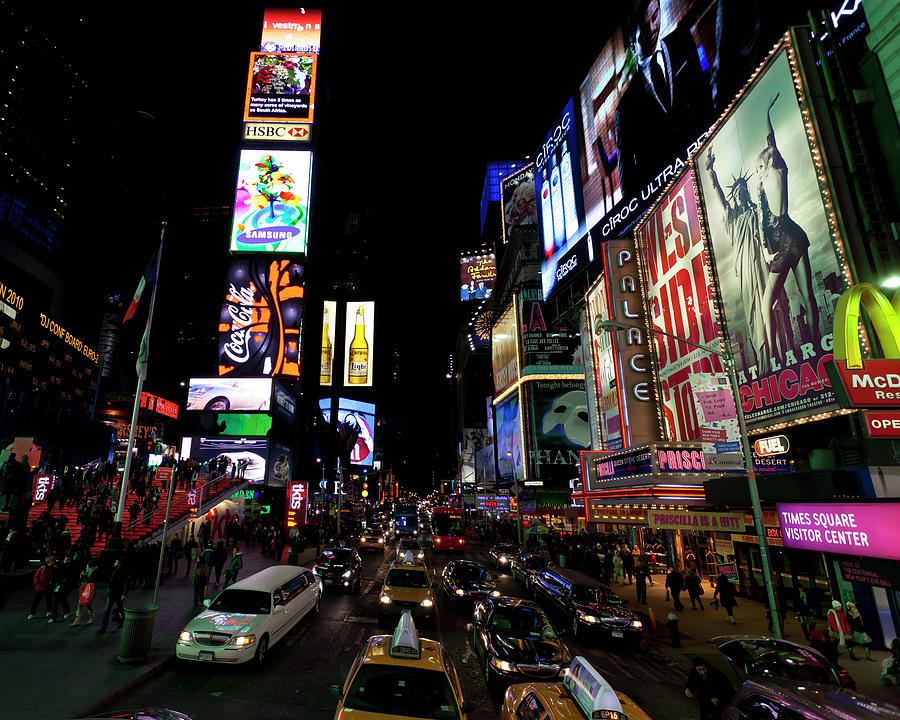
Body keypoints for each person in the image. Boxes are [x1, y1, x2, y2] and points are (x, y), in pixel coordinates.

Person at [614, 0, 712, 199]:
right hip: (670, 196)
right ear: (632, 44)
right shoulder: (625, 109)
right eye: (643, 26)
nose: (652, 28)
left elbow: (706, 103)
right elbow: (628, 188)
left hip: (707, 164)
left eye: (655, 16)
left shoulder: (682, 43)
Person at [98, 558, 128, 634]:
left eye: (116, 562)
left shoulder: (123, 572)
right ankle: (103, 628)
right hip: (111, 594)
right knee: (107, 610)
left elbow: (126, 584)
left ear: (119, 564)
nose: (114, 563)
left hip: (118, 594)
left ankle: (121, 621)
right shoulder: (112, 570)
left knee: (120, 609)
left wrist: (124, 594)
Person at [49, 555, 78, 622]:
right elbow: (55, 576)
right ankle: (56, 616)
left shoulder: (71, 567)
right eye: (66, 560)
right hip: (60, 586)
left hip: (67, 586)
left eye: (68, 560)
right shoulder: (59, 567)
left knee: (61, 599)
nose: (67, 561)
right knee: (59, 600)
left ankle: (58, 615)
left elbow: (73, 577)